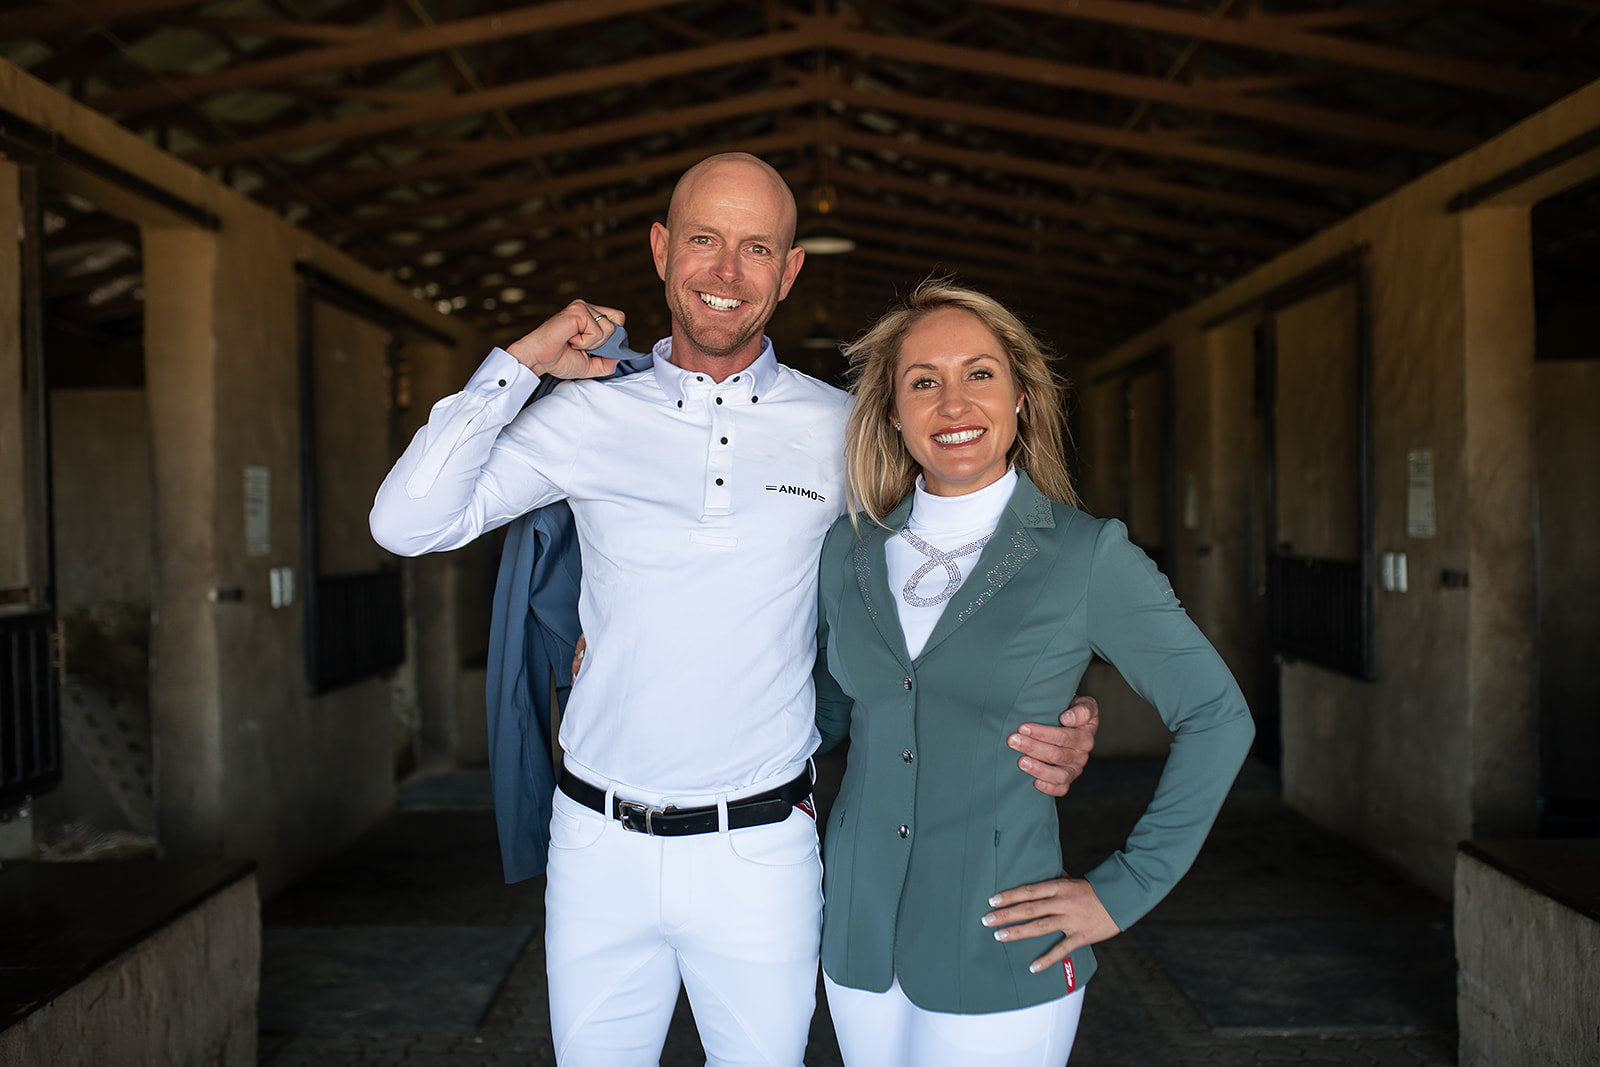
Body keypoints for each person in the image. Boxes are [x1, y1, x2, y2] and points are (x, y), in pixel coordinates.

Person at [370, 153, 1098, 1066]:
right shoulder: (585, 417)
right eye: (704, 240)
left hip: (760, 852)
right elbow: (405, 522)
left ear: (789, 271)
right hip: (597, 844)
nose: (726, 271)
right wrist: (516, 366)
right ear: (661, 249)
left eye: (756, 248)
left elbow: (959, 575)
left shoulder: (842, 429)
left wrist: (1059, 708)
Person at [812, 279, 1255, 1066]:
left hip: (1001, 943)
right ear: (892, 412)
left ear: (1021, 396)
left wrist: (1124, 890)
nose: (953, 403)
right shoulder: (847, 550)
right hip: (856, 936)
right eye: (924, 382)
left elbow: (1217, 716)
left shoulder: (1085, 555)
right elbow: (822, 717)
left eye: (979, 374)